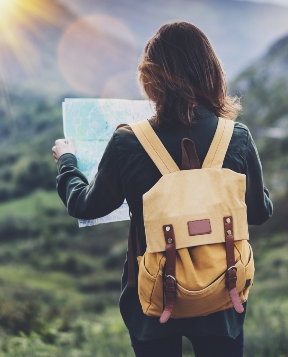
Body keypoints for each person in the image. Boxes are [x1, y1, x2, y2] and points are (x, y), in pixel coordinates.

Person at [52, 21, 273, 357]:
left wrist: (67, 161)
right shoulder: (236, 137)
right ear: (211, 73)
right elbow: (259, 212)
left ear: (151, 78)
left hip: (153, 300)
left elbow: (85, 205)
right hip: (223, 296)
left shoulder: (128, 142)